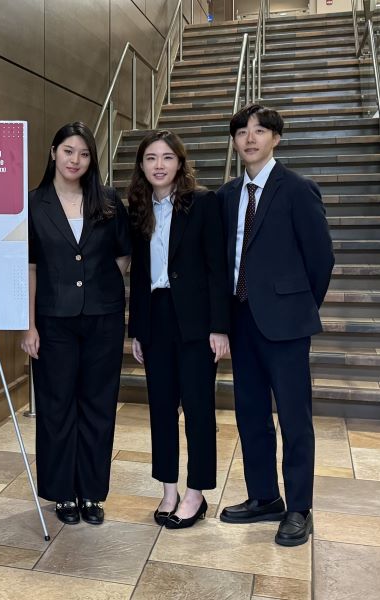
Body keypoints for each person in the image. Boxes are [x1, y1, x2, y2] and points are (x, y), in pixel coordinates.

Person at [216, 104, 334, 547]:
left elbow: (321, 259)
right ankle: (264, 496)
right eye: (242, 131)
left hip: (285, 324)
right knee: (250, 414)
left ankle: (299, 507)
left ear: (276, 138)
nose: (250, 138)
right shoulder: (228, 196)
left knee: (294, 417)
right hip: (240, 319)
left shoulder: (298, 190)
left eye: (260, 131)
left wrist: (298, 306)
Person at [20, 121, 131, 526]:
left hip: (102, 319)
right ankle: (63, 493)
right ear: (53, 153)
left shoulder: (108, 201)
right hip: (52, 321)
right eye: (68, 151)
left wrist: (95, 288)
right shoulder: (33, 203)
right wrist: (28, 325)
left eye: (84, 154)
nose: (75, 160)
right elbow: (29, 268)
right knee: (56, 406)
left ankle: (92, 493)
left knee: (99, 405)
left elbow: (121, 258)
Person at [126, 130, 230, 529]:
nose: (158, 165)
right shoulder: (139, 207)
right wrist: (137, 328)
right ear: (142, 165)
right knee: (160, 409)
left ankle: (196, 493)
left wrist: (219, 327)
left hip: (196, 322)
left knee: (199, 410)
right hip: (155, 316)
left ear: (180, 163)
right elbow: (136, 275)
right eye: (150, 158)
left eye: (167, 157)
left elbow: (216, 268)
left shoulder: (203, 203)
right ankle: (168, 488)